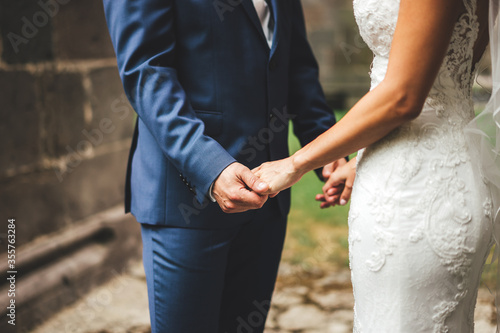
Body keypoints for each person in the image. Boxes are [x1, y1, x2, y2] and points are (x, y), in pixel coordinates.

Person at [102, 0, 348, 332]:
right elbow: (146, 73)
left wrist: (323, 144)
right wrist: (210, 166)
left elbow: (294, 63)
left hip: (268, 196)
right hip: (185, 199)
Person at [253, 0, 500, 330]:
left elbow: (403, 97)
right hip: (426, 168)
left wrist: (294, 163)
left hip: (418, 196)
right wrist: (361, 161)